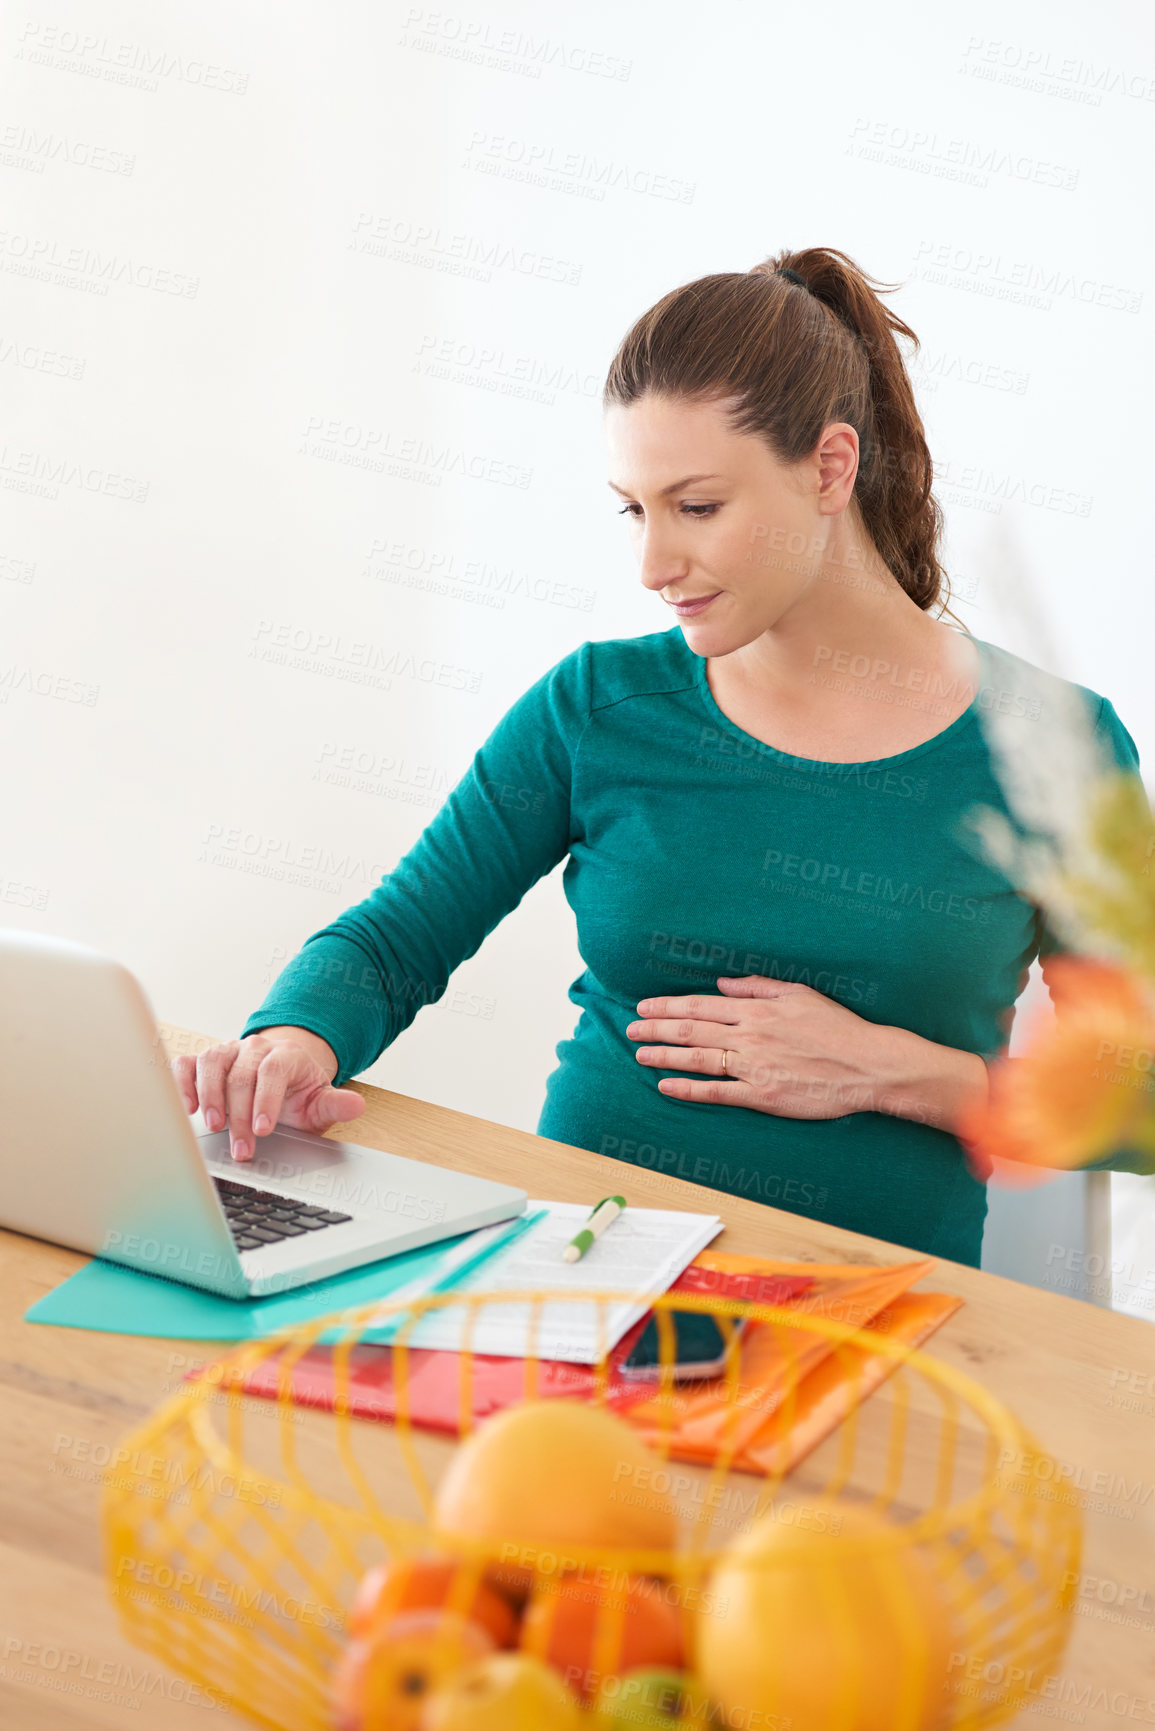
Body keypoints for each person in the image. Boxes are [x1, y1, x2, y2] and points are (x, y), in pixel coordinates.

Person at [173, 246, 1141, 1268]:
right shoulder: (598, 706)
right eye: (636, 509)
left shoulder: (1051, 752)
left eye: (699, 507)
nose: (652, 565)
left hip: (880, 1331)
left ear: (829, 468)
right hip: (574, 1278)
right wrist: (293, 1040)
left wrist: (900, 1074)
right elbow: (391, 944)